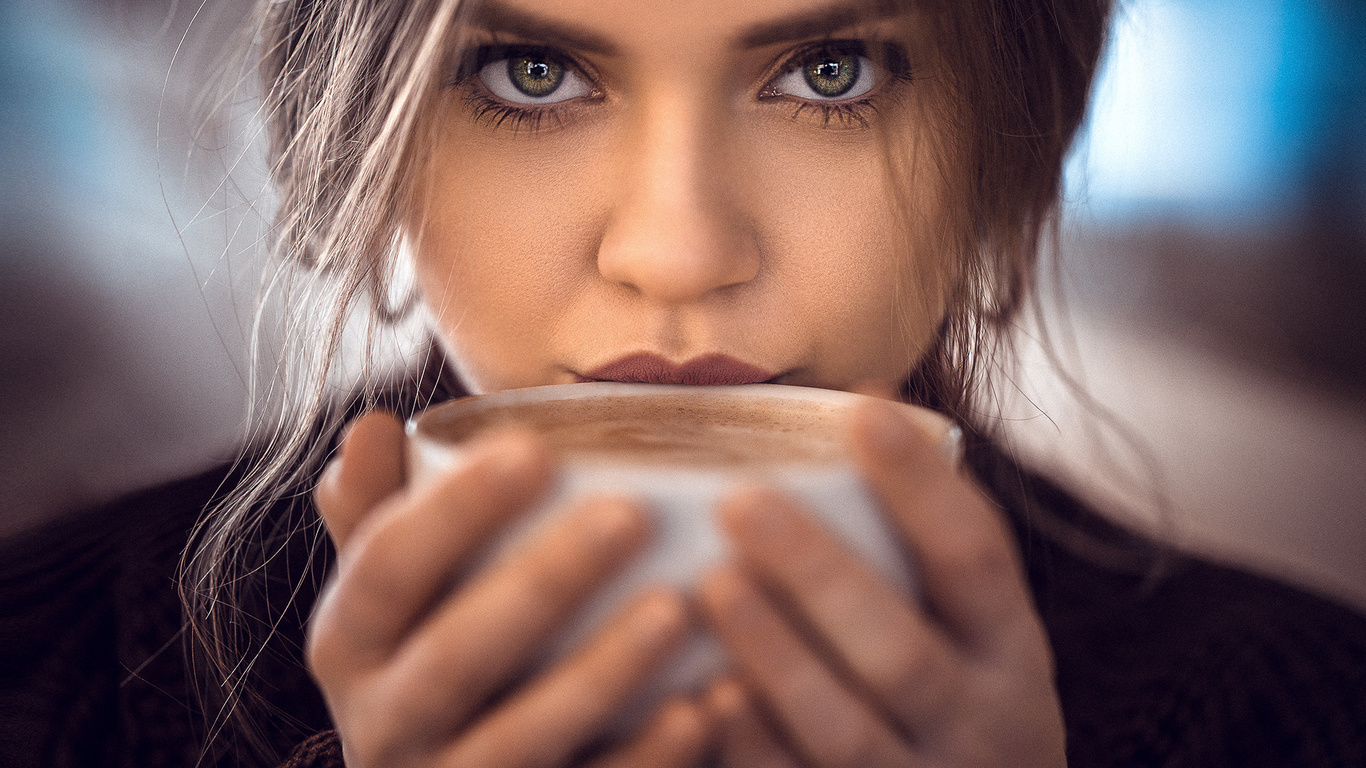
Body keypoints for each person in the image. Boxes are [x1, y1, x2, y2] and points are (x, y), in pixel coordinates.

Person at [1, 0, 1363, 766]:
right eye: (531, 75)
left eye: (828, 74)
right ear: (357, 133)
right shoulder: (40, 675)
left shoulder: (1301, 711)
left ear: (1012, 146)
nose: (677, 256)